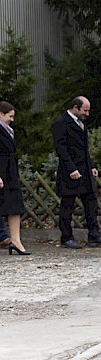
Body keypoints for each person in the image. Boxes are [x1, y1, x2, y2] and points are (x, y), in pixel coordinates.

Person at [52, 96, 101, 249]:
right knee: (68, 205)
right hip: (69, 171)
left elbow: (84, 149)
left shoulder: (81, 124)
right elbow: (61, 149)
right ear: (75, 108)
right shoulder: (61, 123)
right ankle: (66, 237)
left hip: (85, 170)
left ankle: (94, 235)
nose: (87, 114)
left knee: (91, 203)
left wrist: (91, 166)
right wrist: (71, 169)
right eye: (85, 110)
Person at [0, 101, 29, 255]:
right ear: (1, 114)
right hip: (2, 171)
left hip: (10, 172)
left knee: (15, 205)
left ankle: (16, 240)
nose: (12, 119)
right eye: (9, 116)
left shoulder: (8, 130)